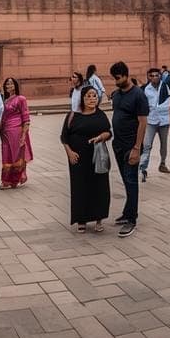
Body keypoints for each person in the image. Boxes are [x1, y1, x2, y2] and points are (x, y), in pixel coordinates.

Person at [62, 85, 112, 233]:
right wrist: (69, 153)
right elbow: (64, 137)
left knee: (100, 188)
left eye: (94, 96)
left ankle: (98, 219)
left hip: (97, 157)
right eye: (88, 96)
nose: (92, 99)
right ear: (82, 98)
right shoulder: (73, 115)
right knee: (79, 187)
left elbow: (108, 132)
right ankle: (81, 219)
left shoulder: (100, 115)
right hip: (78, 158)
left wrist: (102, 137)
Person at [108, 62, 148, 236]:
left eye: (118, 78)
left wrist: (137, 148)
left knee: (131, 181)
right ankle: (127, 212)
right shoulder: (116, 95)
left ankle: (132, 219)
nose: (116, 81)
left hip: (131, 146)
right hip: (118, 144)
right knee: (126, 180)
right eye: (114, 78)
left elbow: (142, 122)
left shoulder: (138, 95)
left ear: (125, 75)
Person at [0, 77, 33, 188]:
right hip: (6, 132)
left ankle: (13, 180)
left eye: (11, 83)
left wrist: (23, 135)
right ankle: (6, 180)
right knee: (6, 155)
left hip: (16, 131)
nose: (9, 86)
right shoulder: (5, 100)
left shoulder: (21, 99)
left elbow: (26, 118)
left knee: (16, 156)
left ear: (16, 85)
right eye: (7, 84)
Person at [141, 68, 170, 179]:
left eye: (156, 75)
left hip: (164, 120)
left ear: (160, 76)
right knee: (147, 144)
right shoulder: (145, 89)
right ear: (148, 77)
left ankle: (163, 163)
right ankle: (143, 168)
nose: (154, 77)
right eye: (152, 75)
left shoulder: (165, 86)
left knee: (164, 144)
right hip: (151, 120)